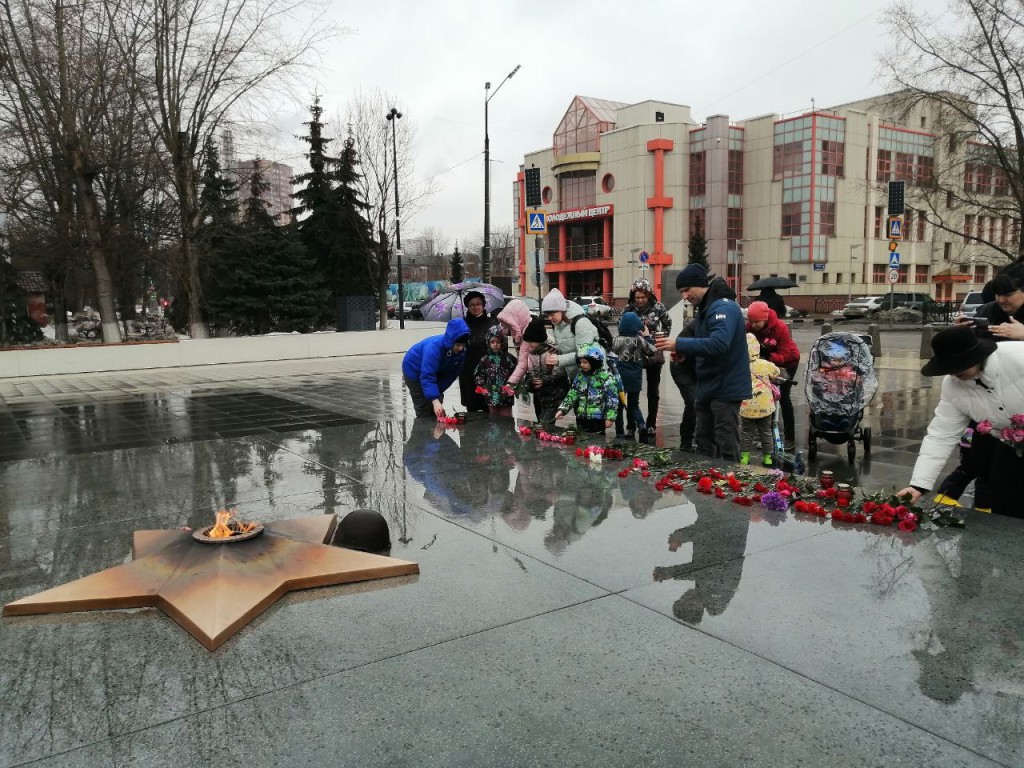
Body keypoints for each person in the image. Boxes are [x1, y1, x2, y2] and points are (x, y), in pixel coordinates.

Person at [897, 325, 1024, 518]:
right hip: (1010, 446)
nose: (953, 373)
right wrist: (918, 485)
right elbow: (941, 435)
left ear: (977, 356)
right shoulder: (953, 387)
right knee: (1004, 506)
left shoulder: (1017, 356)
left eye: (958, 364)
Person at [655, 265, 751, 461]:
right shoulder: (706, 309)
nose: (684, 296)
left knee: (726, 443)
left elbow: (718, 344)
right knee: (703, 441)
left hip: (725, 387)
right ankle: (706, 481)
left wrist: (678, 343)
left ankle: (732, 483)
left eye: (686, 290)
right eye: (681, 292)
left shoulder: (723, 307)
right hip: (708, 385)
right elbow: (704, 343)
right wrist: (685, 355)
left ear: (700, 285)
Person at [746, 300, 801, 450]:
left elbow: (784, 354)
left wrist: (768, 356)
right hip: (766, 361)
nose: (753, 325)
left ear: (765, 319)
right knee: (767, 397)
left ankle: (790, 438)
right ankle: (767, 437)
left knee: (783, 396)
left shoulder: (780, 328)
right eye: (751, 321)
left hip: (788, 361)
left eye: (757, 322)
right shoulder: (749, 327)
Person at [625, 277, 671, 443]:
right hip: (634, 353)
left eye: (643, 297)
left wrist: (658, 338)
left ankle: (651, 423)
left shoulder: (659, 308)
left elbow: (667, 324)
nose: (640, 301)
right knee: (632, 390)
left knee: (653, 390)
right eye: (637, 298)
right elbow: (622, 327)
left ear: (649, 295)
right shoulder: (628, 309)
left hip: (653, 353)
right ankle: (631, 425)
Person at [401, 317, 470, 419]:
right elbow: (427, 376)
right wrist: (434, 399)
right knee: (423, 406)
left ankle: (436, 426)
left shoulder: (461, 351)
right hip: (414, 370)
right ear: (451, 341)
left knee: (436, 403)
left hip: (437, 371)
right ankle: (422, 429)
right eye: (458, 345)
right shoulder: (433, 348)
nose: (460, 348)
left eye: (463, 345)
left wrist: (437, 395)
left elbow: (453, 374)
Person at [554, 344, 620, 435]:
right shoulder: (580, 376)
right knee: (582, 442)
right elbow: (572, 394)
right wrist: (562, 409)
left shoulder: (606, 377)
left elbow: (612, 399)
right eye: (580, 362)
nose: (582, 365)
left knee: (596, 445)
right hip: (581, 417)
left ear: (593, 362)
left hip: (597, 419)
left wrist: (610, 417)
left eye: (585, 362)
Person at [611, 311, 657, 441]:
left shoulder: (615, 340)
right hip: (635, 377)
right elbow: (652, 351)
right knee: (634, 405)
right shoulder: (639, 340)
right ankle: (642, 425)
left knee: (619, 407)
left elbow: (609, 355)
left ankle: (619, 433)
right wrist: (647, 337)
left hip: (618, 378)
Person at [739, 332, 782, 466]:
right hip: (765, 406)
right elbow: (776, 372)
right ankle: (768, 457)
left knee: (746, 433)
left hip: (747, 406)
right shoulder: (764, 364)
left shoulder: (739, 365)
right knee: (766, 432)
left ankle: (744, 457)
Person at [541, 288, 599, 380]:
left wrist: (559, 359)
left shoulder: (581, 323)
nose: (550, 318)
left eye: (552, 314)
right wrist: (556, 350)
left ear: (562, 310)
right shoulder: (557, 324)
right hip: (575, 375)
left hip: (592, 376)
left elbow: (584, 354)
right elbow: (566, 346)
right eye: (547, 315)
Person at [457, 291, 492, 412]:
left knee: (489, 405)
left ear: (483, 305)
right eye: (472, 304)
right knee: (472, 407)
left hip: (488, 371)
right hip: (468, 371)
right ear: (467, 307)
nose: (476, 307)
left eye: (478, 304)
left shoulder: (492, 323)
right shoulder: (462, 324)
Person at [473, 325, 517, 417]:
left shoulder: (509, 358)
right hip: (491, 395)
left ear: (503, 343)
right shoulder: (485, 359)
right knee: (494, 418)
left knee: (506, 418)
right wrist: (482, 386)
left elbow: (516, 373)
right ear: (488, 343)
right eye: (492, 342)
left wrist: (513, 386)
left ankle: (507, 430)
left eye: (498, 342)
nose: (495, 344)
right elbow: (478, 373)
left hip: (506, 396)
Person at [668, 319, 698, 452]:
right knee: (693, 402)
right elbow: (678, 350)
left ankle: (701, 439)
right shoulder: (698, 325)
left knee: (702, 403)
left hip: (696, 367)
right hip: (681, 367)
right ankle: (686, 442)